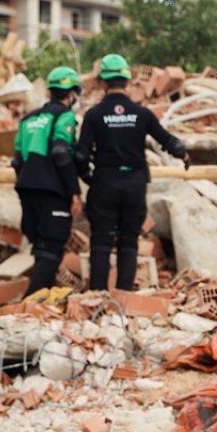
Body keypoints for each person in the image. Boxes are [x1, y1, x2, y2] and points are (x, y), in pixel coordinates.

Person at [75, 53, 188, 291]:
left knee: (101, 243)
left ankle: (98, 295)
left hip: (104, 183)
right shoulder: (141, 114)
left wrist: (88, 177)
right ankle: (124, 295)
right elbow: (169, 142)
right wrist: (185, 156)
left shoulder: (94, 115)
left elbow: (81, 156)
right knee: (128, 242)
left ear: (104, 83)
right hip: (134, 185)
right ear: (127, 82)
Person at [13, 66, 83, 297]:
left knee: (41, 248)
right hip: (53, 191)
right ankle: (26, 304)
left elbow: (17, 160)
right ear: (71, 94)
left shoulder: (28, 119)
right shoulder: (64, 116)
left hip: (27, 189)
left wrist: (27, 182)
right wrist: (74, 192)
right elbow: (61, 152)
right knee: (52, 249)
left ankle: (44, 302)